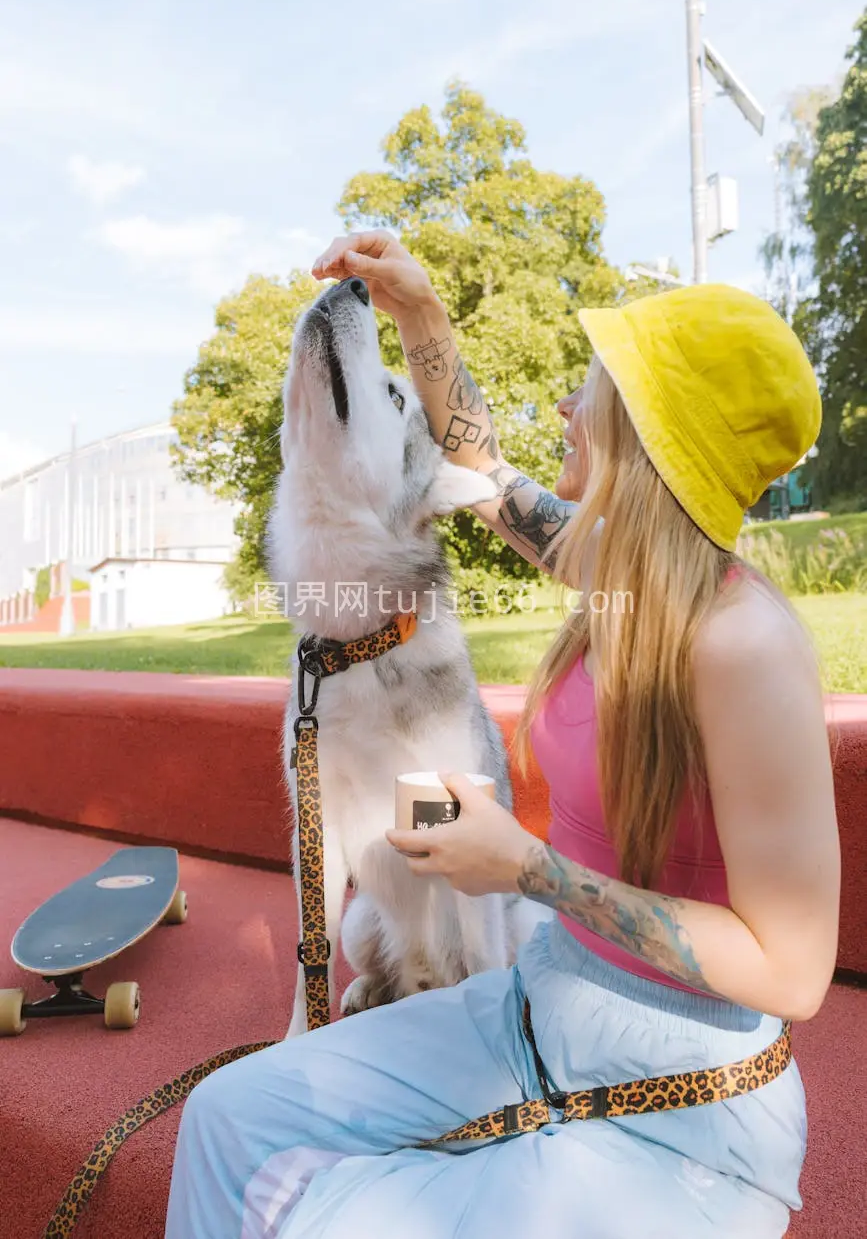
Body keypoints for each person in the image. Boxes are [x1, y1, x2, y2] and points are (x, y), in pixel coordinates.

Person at [165, 233, 839, 1239]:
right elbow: (476, 465)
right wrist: (421, 318)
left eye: (596, 391)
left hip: (684, 1101)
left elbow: (791, 969)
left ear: (656, 433)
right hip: (538, 1006)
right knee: (225, 1117)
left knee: (324, 1220)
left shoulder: (744, 643)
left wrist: (531, 868)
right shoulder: (615, 563)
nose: (568, 406)